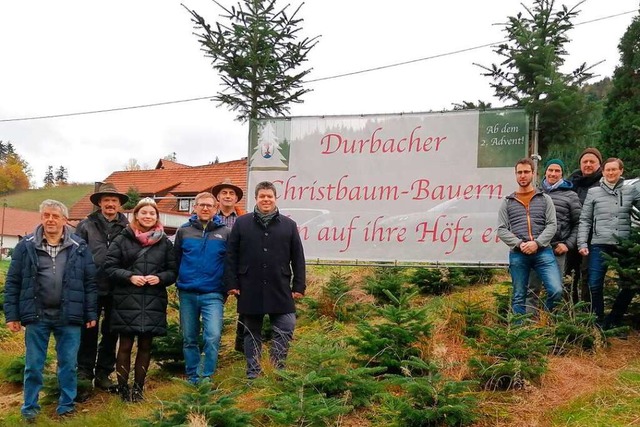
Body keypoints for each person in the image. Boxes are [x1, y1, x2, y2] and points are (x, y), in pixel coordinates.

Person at [4, 200, 97, 422]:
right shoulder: (26, 246)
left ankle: (66, 407)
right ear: (41, 217)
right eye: (46, 215)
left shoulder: (80, 246)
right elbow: (13, 282)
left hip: (69, 316)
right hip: (37, 315)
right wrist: (12, 315)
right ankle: (30, 409)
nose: (50, 220)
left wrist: (91, 313)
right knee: (33, 365)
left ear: (65, 220)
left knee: (68, 364)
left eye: (55, 216)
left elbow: (90, 282)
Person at [225, 181, 306, 379]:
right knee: (251, 332)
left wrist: (299, 285)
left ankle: (277, 369)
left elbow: (298, 258)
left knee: (286, 326)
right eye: (262, 196)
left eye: (269, 196)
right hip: (249, 286)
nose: (266, 200)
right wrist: (232, 283)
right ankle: (254, 372)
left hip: (280, 285)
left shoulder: (289, 225)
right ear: (256, 198)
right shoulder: (242, 223)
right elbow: (231, 256)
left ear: (275, 198)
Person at [104, 198, 176, 402]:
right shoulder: (122, 238)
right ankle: (123, 390)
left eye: (152, 213)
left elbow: (173, 271)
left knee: (146, 346)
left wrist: (160, 278)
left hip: (153, 299)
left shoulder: (164, 242)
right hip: (126, 299)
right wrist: (129, 276)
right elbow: (109, 267)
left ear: (156, 217)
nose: (148, 216)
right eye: (144, 212)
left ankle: (138, 389)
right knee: (125, 345)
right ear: (136, 215)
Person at [76, 182, 129, 393]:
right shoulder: (86, 225)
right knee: (88, 330)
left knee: (111, 331)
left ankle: (103, 373)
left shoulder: (127, 227)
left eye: (114, 200)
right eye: (106, 200)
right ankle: (84, 373)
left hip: (118, 287)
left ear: (119, 204)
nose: (110, 204)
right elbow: (76, 254)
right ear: (99, 203)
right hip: (91, 286)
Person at [174, 192, 230, 385]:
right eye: (201, 205)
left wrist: (226, 288)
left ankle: (206, 375)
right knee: (189, 337)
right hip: (187, 292)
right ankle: (192, 376)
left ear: (216, 209)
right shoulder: (184, 231)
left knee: (213, 336)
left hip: (213, 293)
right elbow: (176, 259)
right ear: (194, 207)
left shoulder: (225, 233)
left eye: (209, 205)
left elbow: (230, 263)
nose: (205, 208)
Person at [577, 158, 640, 324]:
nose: (611, 173)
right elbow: (585, 220)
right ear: (603, 172)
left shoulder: (631, 191)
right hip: (599, 243)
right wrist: (582, 243)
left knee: (630, 284)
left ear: (621, 171)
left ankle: (614, 319)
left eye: (614, 170)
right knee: (594, 284)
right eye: (608, 170)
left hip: (623, 243)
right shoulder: (594, 192)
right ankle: (598, 321)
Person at [497, 158, 563, 315]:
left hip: (543, 252)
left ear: (533, 174)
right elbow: (501, 229)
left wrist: (537, 243)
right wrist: (519, 244)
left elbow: (552, 225)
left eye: (526, 172)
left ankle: (544, 320)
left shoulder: (545, 199)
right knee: (519, 296)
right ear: (515, 175)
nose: (523, 175)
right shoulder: (508, 202)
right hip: (518, 254)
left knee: (556, 290)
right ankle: (519, 332)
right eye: (519, 172)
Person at [526, 159, 581, 311]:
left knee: (556, 290)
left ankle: (550, 320)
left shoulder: (571, 196)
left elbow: (579, 223)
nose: (553, 174)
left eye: (557, 171)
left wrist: (568, 244)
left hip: (557, 249)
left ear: (562, 174)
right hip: (536, 247)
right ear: (545, 172)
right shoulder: (534, 193)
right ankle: (530, 322)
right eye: (550, 170)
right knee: (532, 289)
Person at [211, 178, 247, 353]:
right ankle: (212, 346)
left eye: (231, 193)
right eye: (224, 193)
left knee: (246, 308)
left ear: (236, 198)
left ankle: (241, 346)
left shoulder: (245, 219)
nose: (227, 196)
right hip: (215, 269)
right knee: (214, 307)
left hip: (240, 270)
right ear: (218, 197)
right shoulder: (208, 218)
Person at [566, 147, 603, 302]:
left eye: (592, 161)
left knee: (589, 274)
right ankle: (571, 309)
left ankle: (588, 311)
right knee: (569, 272)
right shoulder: (571, 183)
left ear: (599, 164)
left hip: (594, 236)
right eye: (584, 161)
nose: (588, 164)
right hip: (573, 234)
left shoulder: (604, 182)